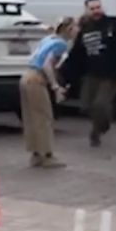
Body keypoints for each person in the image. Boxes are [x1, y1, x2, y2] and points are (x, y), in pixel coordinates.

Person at [62, 0, 116, 147]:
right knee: (85, 105)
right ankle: (103, 122)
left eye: (98, 7)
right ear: (86, 11)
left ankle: (98, 130)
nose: (96, 11)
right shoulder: (84, 30)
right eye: (92, 9)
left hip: (113, 72)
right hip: (92, 73)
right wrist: (63, 75)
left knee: (100, 104)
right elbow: (76, 54)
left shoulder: (114, 23)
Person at [19, 17, 75, 168]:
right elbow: (47, 64)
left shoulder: (49, 38)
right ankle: (47, 155)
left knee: (31, 117)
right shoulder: (61, 44)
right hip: (37, 78)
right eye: (75, 28)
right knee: (44, 117)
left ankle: (35, 153)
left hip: (26, 76)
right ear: (69, 30)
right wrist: (55, 86)